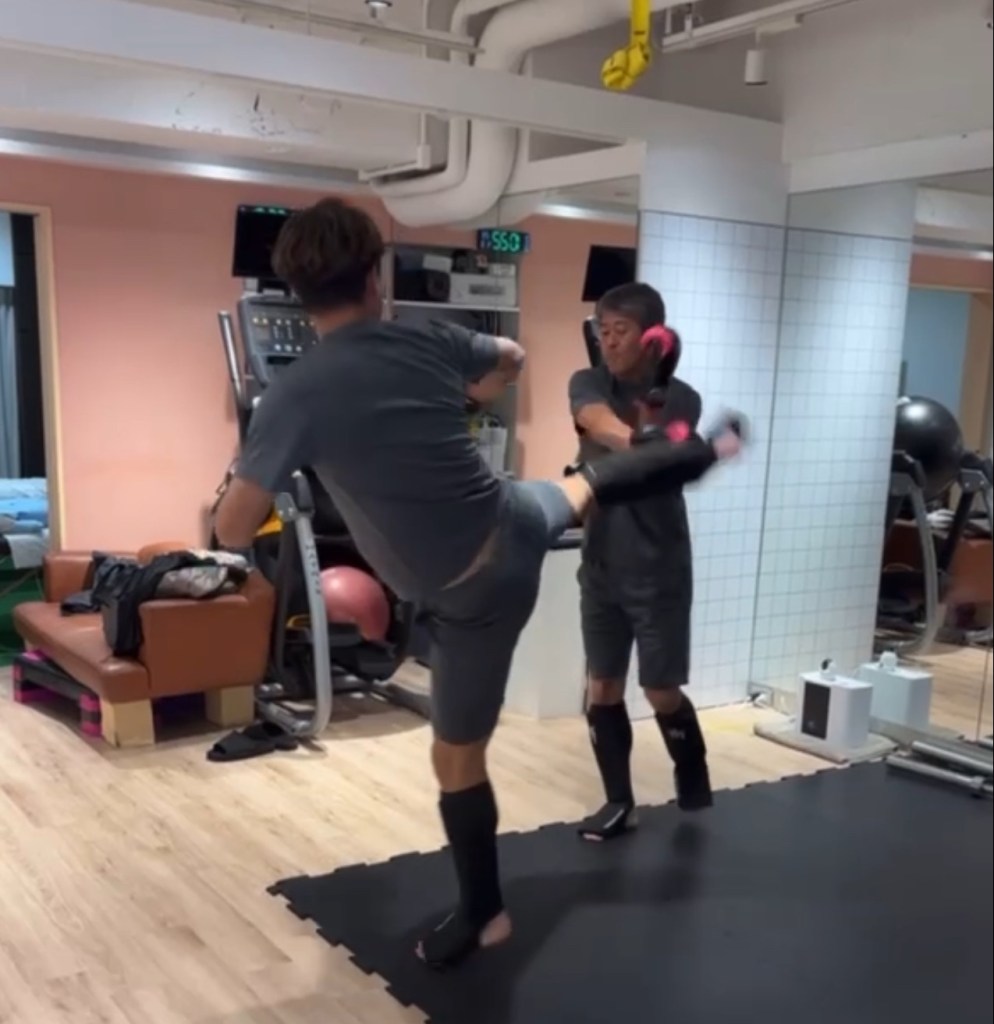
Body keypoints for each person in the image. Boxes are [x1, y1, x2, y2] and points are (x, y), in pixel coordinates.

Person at [213, 198, 745, 970]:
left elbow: (233, 531)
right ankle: (708, 449)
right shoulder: (427, 339)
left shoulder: (294, 396)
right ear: (375, 275)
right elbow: (511, 357)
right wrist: (467, 391)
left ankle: (485, 913)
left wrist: (250, 466)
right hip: (514, 515)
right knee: (589, 484)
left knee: (455, 762)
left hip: (474, 593)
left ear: (295, 289)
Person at [569, 283, 712, 842]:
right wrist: (652, 445)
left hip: (658, 566)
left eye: (620, 331)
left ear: (650, 337)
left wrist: (674, 446)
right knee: (602, 685)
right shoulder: (588, 383)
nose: (608, 341)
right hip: (600, 562)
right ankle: (618, 803)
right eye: (602, 331)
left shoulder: (683, 398)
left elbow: (672, 443)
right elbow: (595, 421)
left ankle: (692, 771)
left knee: (660, 691)